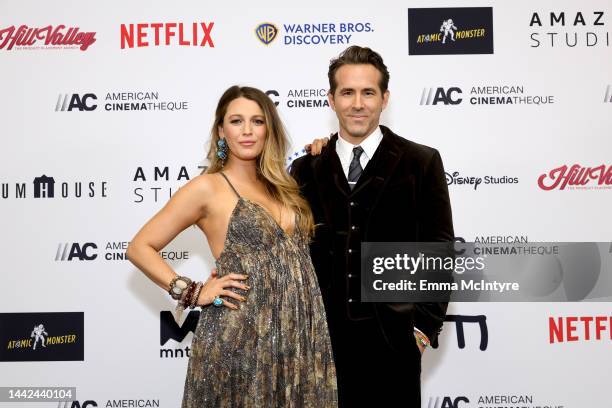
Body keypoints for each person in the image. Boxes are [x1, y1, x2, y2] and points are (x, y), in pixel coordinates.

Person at [126, 86, 337, 407]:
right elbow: (140, 246)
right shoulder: (207, 187)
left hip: (298, 337)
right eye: (237, 121)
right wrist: (192, 292)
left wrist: (325, 148)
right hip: (240, 337)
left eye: (257, 121)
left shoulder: (285, 185)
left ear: (270, 129)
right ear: (221, 131)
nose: (248, 130)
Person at [291, 46, 454, 407]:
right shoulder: (305, 169)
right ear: (331, 100)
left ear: (385, 98)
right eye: (347, 93)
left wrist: (422, 329)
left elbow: (439, 250)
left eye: (368, 92)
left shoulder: (420, 161)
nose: (358, 104)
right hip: (321, 342)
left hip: (393, 342)